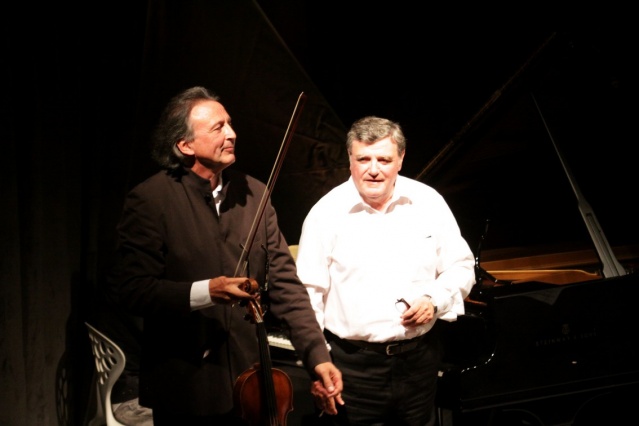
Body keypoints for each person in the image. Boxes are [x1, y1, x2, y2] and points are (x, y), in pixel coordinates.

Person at [107, 86, 342, 425]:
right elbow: (133, 289)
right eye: (218, 127)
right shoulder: (151, 200)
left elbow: (286, 286)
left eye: (229, 124)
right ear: (185, 145)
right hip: (185, 385)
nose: (231, 134)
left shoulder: (255, 194)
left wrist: (317, 356)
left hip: (251, 381)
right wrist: (207, 291)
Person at [295, 116, 476, 426]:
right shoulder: (325, 214)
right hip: (353, 368)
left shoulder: (429, 202)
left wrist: (435, 300)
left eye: (384, 159)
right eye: (363, 159)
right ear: (350, 159)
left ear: (401, 159)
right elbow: (307, 297)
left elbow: (461, 266)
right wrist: (317, 363)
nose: (373, 169)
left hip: (419, 362)